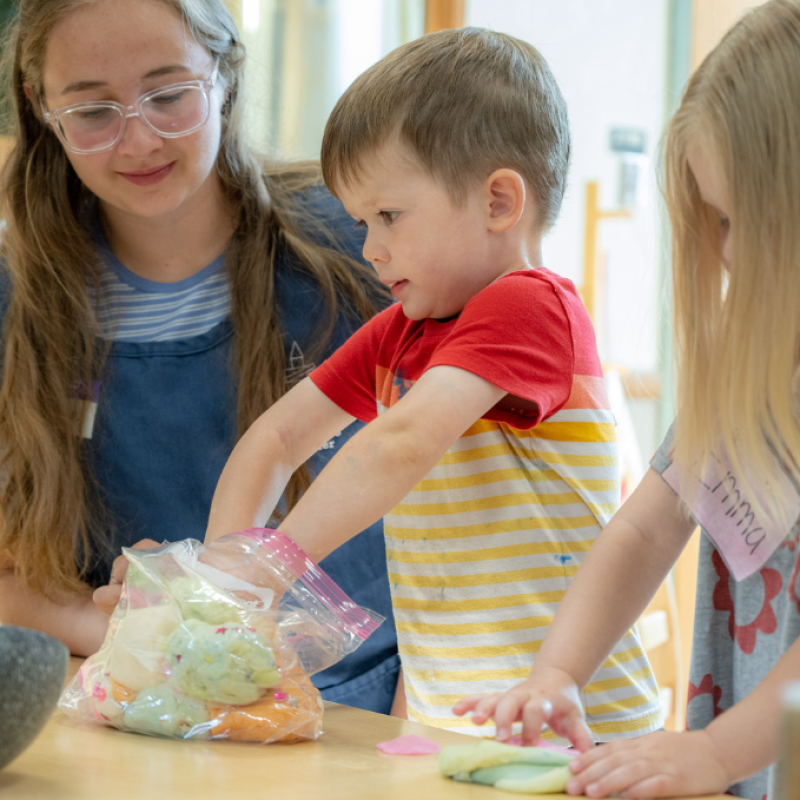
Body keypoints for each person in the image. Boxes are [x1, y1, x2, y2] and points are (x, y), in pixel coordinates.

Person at [203, 26, 663, 738]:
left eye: (388, 215)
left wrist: (275, 566)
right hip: (461, 725)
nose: (370, 248)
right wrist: (221, 587)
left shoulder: (530, 305)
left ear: (498, 203)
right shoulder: (404, 331)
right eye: (362, 222)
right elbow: (277, 437)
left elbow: (400, 445)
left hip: (579, 727)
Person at [0, 0, 401, 715]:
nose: (138, 141)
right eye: (93, 112)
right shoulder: (17, 301)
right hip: (143, 710)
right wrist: (137, 628)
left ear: (225, 73)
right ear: (41, 110)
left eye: (169, 94)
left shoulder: (363, 247)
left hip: (372, 709)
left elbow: (494, 492)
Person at [453, 1, 800, 796]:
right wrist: (559, 670)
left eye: (744, 217)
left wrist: (715, 754)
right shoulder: (754, 377)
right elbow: (647, 528)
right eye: (715, 219)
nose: (728, 251)